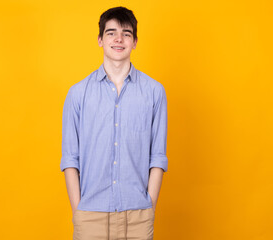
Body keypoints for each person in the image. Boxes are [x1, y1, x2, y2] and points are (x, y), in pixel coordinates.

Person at [60, 6, 168, 240]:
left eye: (126, 34)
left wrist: (149, 205)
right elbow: (70, 159)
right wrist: (78, 210)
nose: (118, 39)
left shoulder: (154, 92)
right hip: (90, 216)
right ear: (100, 40)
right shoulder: (77, 94)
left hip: (138, 215)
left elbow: (158, 156)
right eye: (111, 33)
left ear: (135, 42)